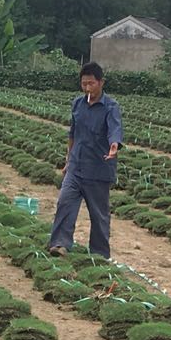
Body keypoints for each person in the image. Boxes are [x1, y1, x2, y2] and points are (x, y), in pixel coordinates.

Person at [47, 62, 123, 259]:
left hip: (98, 169)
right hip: (76, 166)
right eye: (84, 84)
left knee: (99, 215)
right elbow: (73, 134)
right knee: (65, 203)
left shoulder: (111, 107)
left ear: (101, 82)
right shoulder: (77, 104)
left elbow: (115, 129)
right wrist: (68, 160)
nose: (88, 88)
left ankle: (99, 254)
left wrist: (114, 145)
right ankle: (59, 244)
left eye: (91, 84)